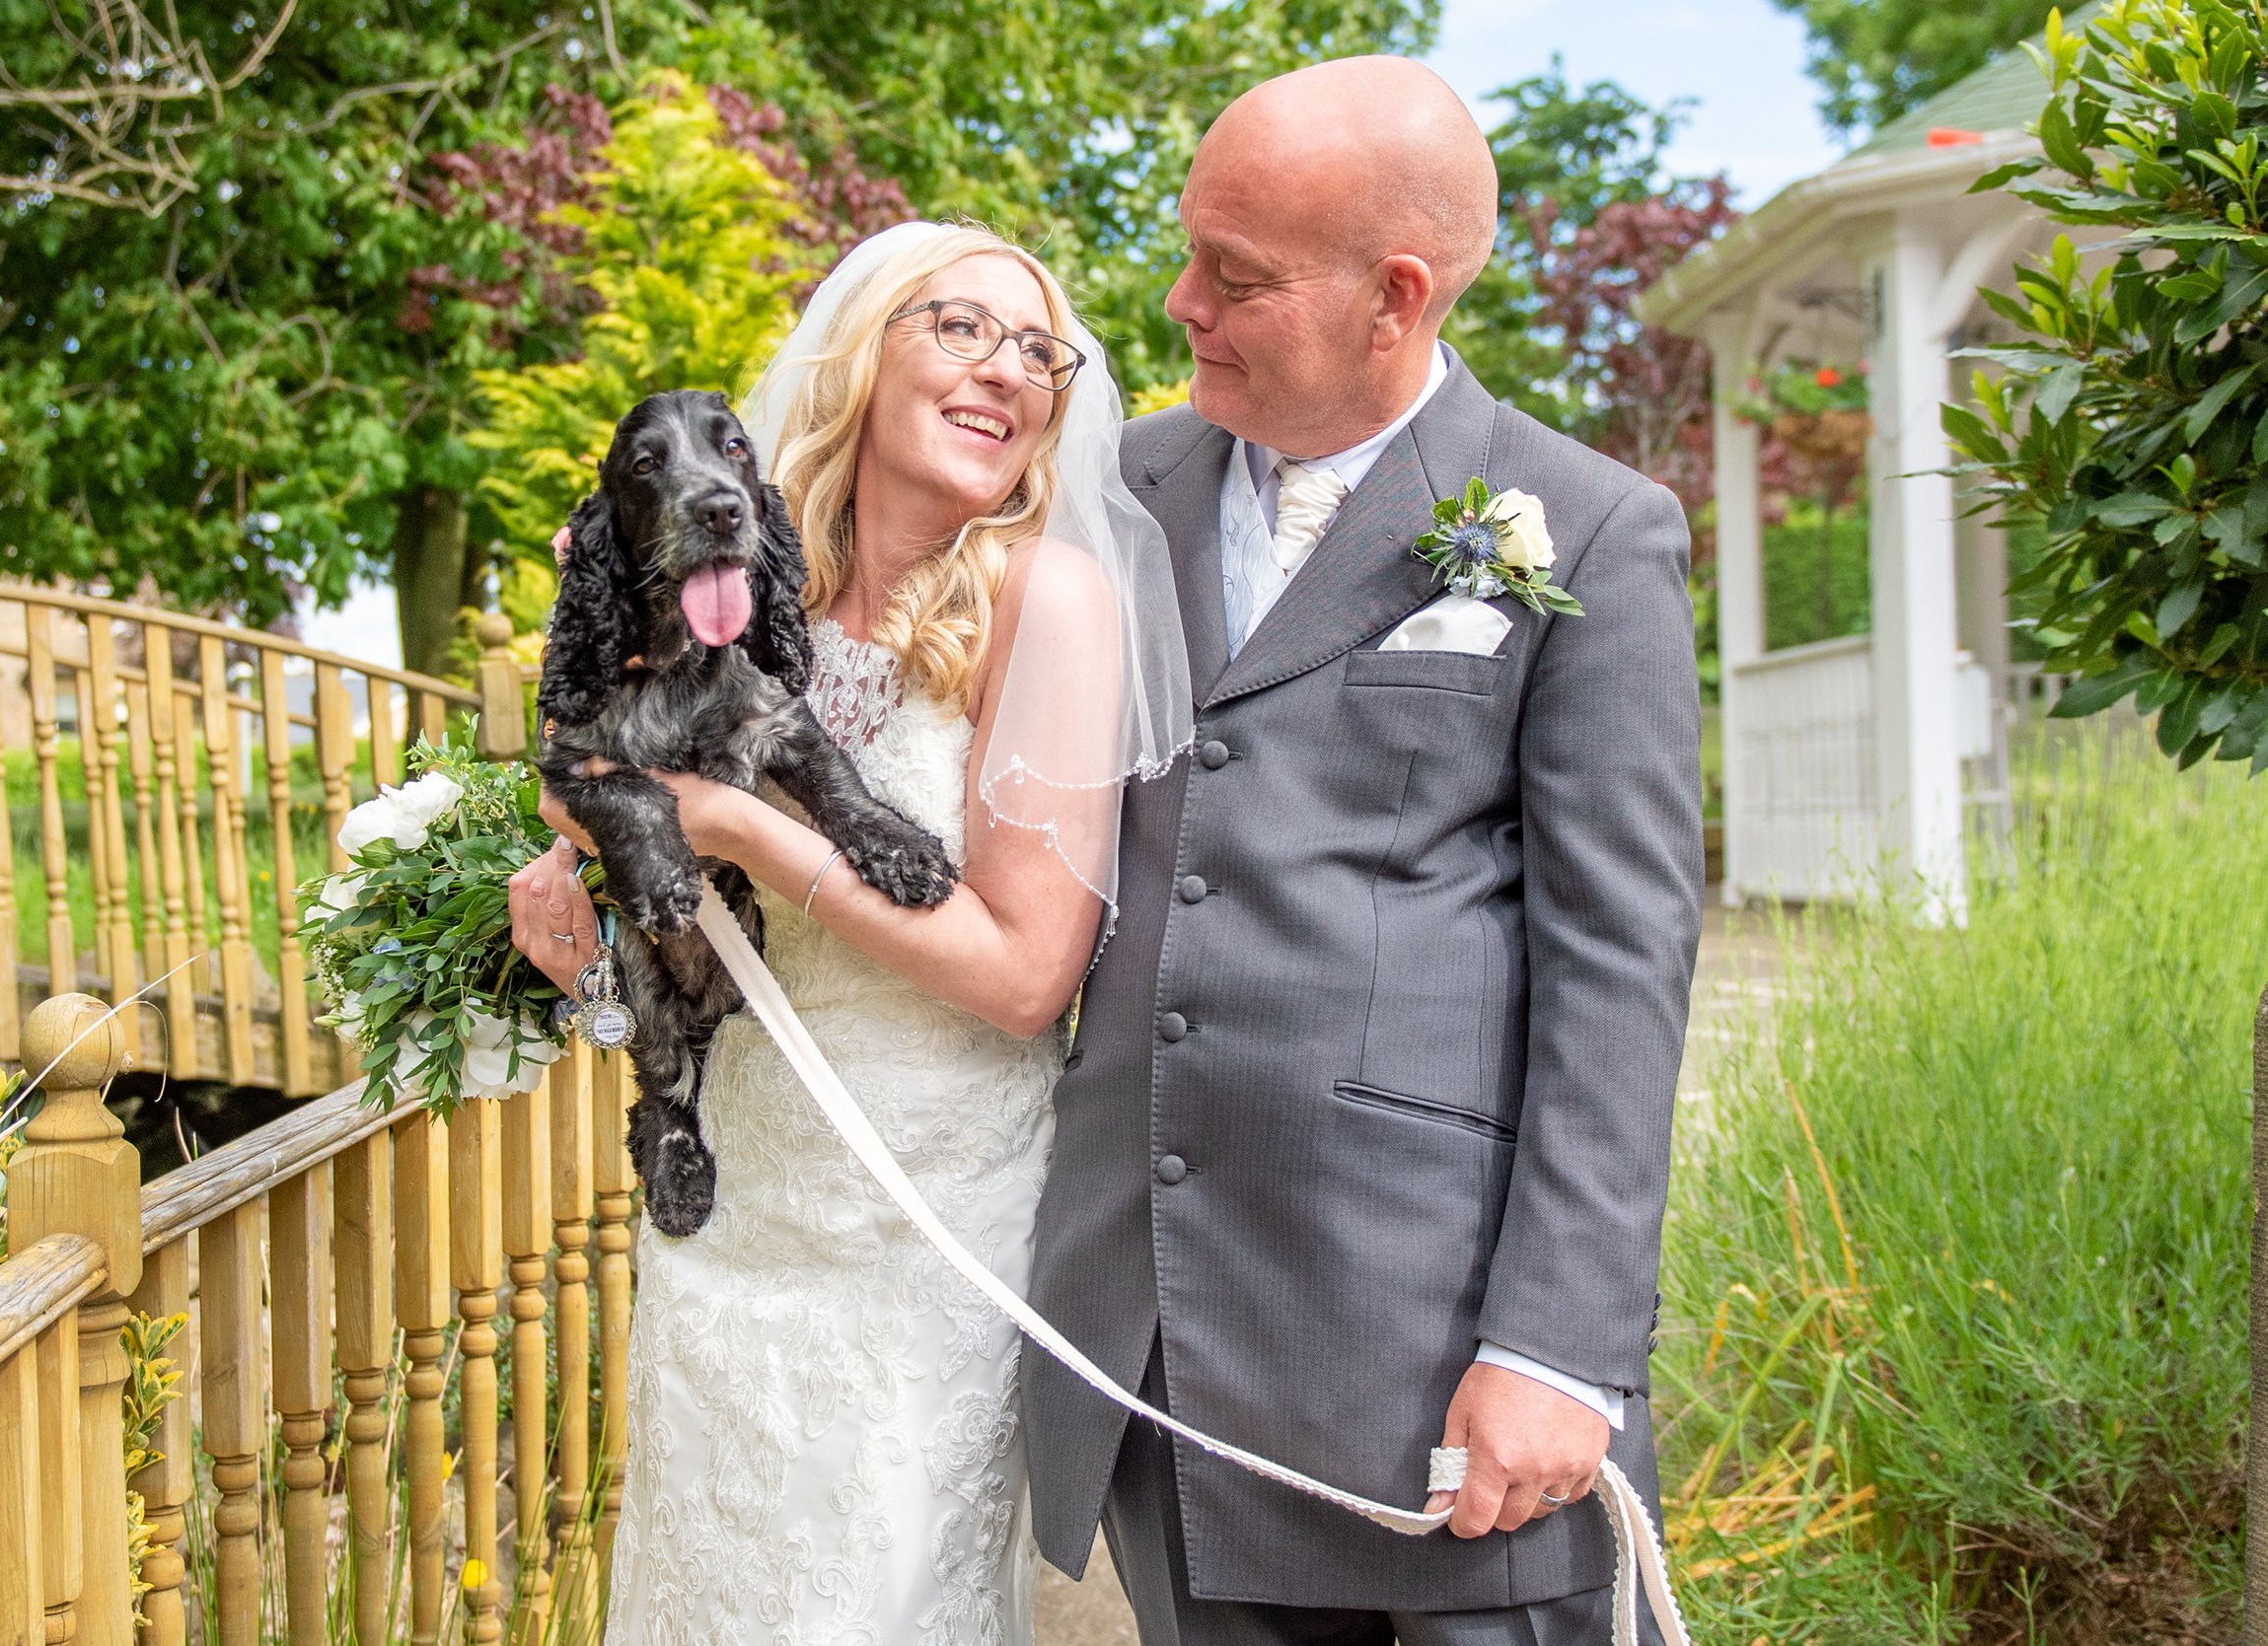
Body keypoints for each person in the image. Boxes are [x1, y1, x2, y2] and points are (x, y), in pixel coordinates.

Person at [1021, 56, 1705, 1645]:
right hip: (1161, 1347)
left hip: (1433, 1371)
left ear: (1396, 296)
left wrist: (1559, 1344)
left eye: (1238, 276)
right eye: (1191, 249)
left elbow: (1622, 966)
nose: (1180, 301)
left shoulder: (1588, 529)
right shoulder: (1113, 491)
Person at [506, 221, 1190, 1644]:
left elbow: (1023, 975)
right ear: (864, 350)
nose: (1008, 369)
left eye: (1039, 349)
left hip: (917, 1224)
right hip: (735, 1203)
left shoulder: (1043, 598)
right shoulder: (751, 587)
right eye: (961, 328)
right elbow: (642, 782)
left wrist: (754, 833)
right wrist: (569, 869)